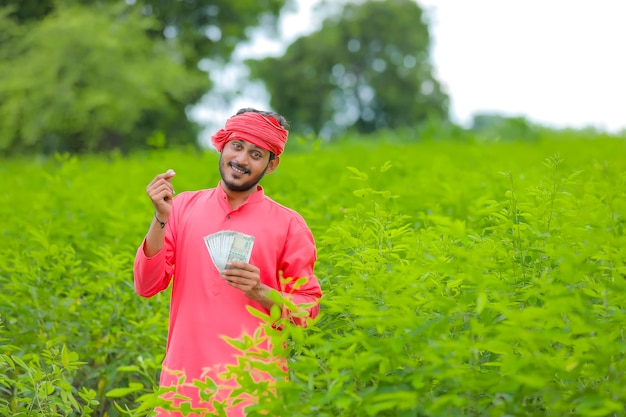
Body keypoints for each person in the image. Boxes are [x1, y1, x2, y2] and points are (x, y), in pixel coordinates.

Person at [133, 108, 323, 416]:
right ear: (222, 146)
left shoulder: (289, 225)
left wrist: (261, 291)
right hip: (183, 387)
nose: (242, 160)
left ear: (271, 165)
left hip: (254, 392)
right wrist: (160, 218)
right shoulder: (181, 209)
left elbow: (308, 310)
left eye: (256, 154)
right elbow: (146, 285)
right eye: (237, 146)